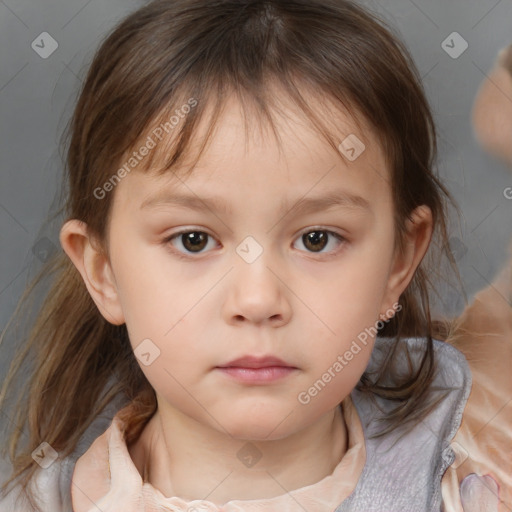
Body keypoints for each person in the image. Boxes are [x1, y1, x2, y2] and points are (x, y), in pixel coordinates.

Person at [0, 1, 510, 510]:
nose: (259, 299)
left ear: (399, 262)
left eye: (317, 239)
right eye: (193, 240)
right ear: (103, 272)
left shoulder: (468, 492)